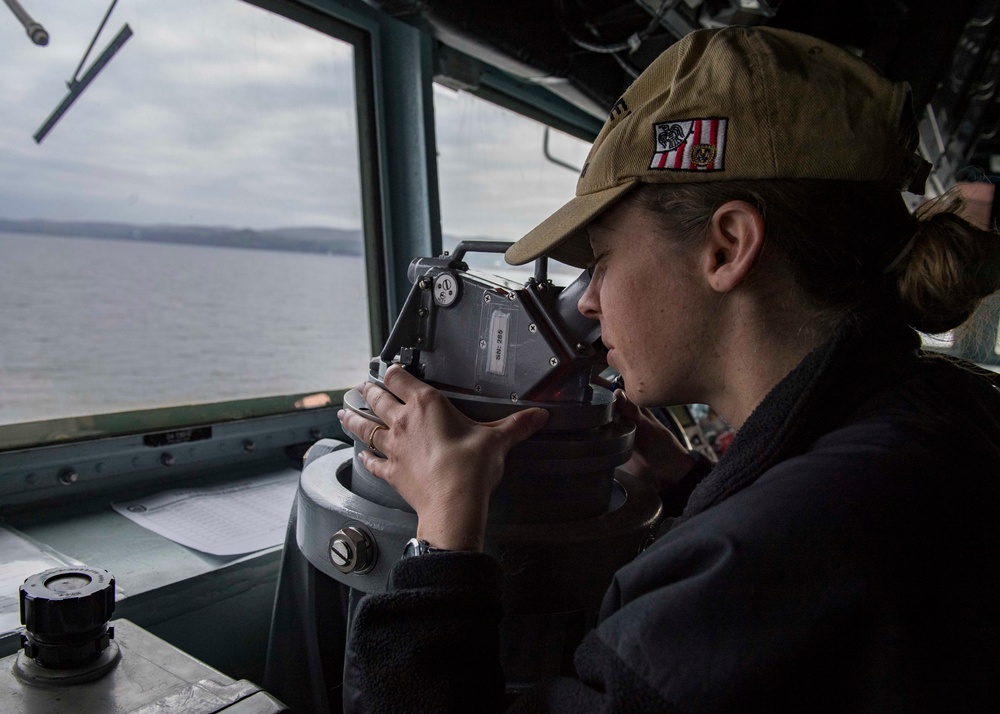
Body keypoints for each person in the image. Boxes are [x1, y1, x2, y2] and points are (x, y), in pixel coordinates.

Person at [336, 25, 1000, 713]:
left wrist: (443, 533)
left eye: (602, 259)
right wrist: (692, 486)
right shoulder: (934, 417)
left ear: (727, 247)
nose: (589, 300)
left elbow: (776, 565)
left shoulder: (764, 563)